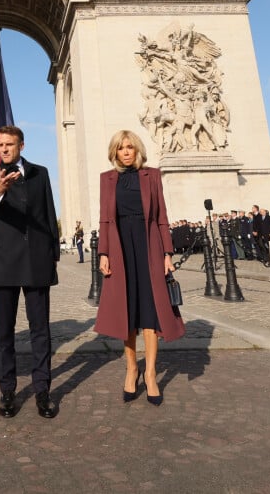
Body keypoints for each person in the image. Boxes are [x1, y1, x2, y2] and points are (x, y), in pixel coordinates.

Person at [95, 129, 184, 406]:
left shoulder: (152, 176)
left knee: (151, 311)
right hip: (122, 250)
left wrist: (167, 252)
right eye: (120, 148)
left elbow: (162, 218)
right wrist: (104, 252)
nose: (125, 152)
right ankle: (131, 369)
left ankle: (151, 374)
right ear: (114, 152)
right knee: (128, 312)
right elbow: (105, 220)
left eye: (130, 147)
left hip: (150, 247)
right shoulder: (106, 179)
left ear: (137, 150)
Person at [0, 125, 60, 420]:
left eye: (9, 145)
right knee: (5, 332)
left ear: (22, 146)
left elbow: (49, 212)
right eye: (0, 145)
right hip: (4, 261)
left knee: (41, 330)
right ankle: (8, 391)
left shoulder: (41, 172)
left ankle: (42, 391)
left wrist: (52, 251)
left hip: (37, 258)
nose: (4, 150)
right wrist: (1, 188)